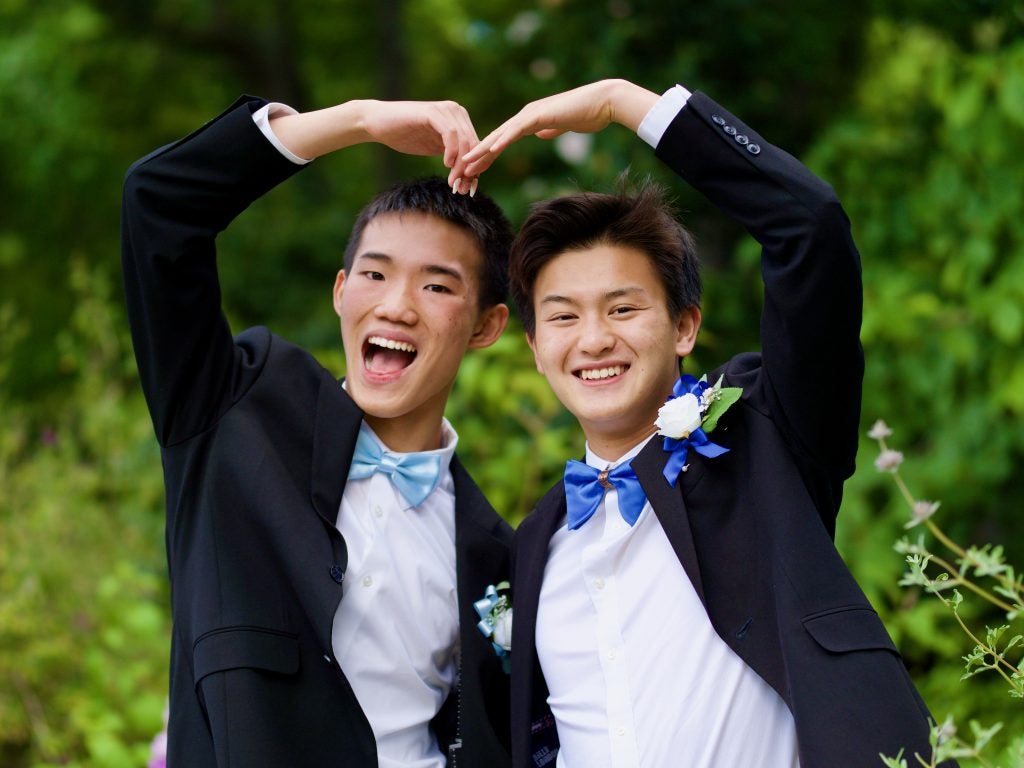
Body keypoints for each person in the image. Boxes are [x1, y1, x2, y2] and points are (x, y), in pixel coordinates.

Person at [462, 79, 945, 767]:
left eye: (623, 309)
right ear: (537, 348)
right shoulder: (536, 543)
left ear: (685, 326)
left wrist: (624, 103)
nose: (593, 339)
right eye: (564, 317)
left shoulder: (763, 440)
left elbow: (808, 228)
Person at [121, 95, 513, 766]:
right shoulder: (232, 413)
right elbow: (158, 204)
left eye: (437, 287)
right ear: (340, 291)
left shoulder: (493, 548)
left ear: (486, 326)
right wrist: (359, 121)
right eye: (375, 274)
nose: (395, 305)